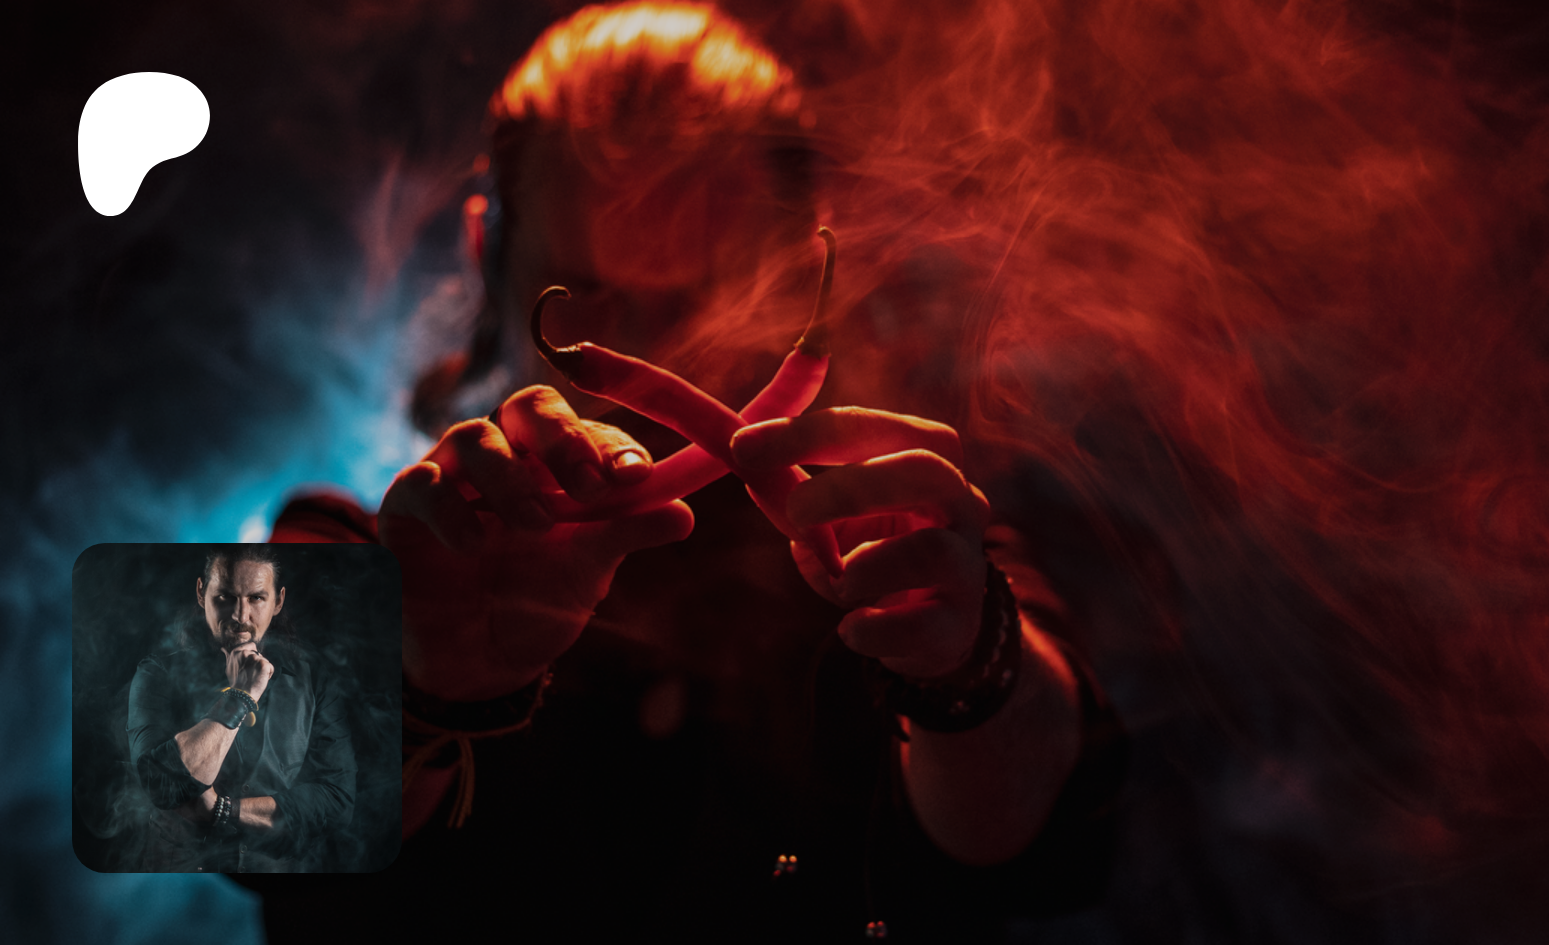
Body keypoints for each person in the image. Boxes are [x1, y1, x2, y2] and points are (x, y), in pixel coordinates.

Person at [272, 3, 1122, 937]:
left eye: (703, 300)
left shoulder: (909, 554)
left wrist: (971, 666)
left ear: (797, 272)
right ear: (485, 250)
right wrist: (412, 691)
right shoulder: (351, 549)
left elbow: (1066, 838)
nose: (648, 358)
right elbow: (213, 812)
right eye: (585, 295)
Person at [125, 546, 355, 872]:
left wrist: (222, 810)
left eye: (256, 598)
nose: (240, 616)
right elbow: (161, 786)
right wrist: (242, 695)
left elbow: (337, 802)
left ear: (278, 601)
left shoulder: (314, 681)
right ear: (201, 592)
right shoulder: (157, 674)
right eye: (225, 597)